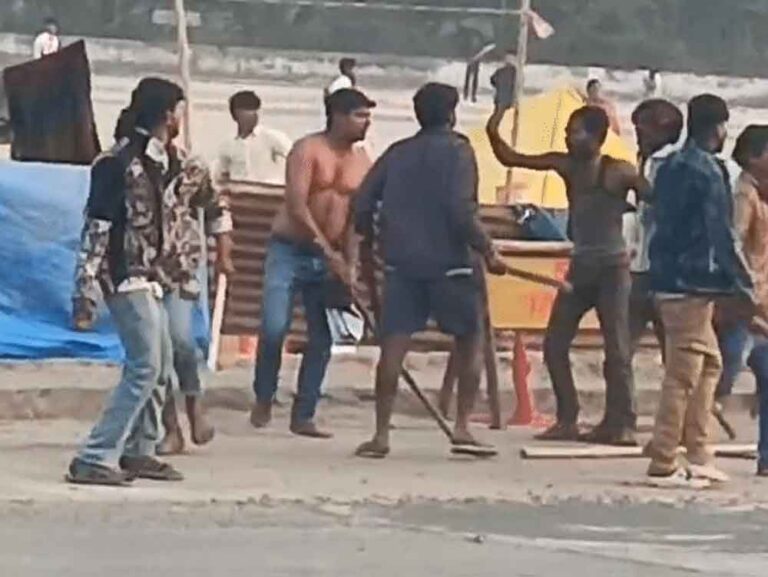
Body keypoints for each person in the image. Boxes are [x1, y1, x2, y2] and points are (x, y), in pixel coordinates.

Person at [67, 78, 230, 485]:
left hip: (154, 277)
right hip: (126, 276)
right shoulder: (116, 163)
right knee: (145, 366)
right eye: (178, 112)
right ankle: (95, 455)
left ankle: (141, 449)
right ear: (168, 114)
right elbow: (97, 227)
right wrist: (85, 290)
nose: (180, 119)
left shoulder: (172, 163)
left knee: (159, 365)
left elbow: (210, 203)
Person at [354, 83, 507, 458]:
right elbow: (461, 211)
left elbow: (362, 203)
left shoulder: (398, 152)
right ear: (452, 113)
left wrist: (370, 244)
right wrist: (488, 249)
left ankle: (381, 435)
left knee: (393, 347)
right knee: (469, 341)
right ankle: (463, 427)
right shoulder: (459, 151)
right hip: (451, 265)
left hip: (402, 263)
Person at [486, 105, 646, 446]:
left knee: (617, 350)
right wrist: (496, 118)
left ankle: (622, 423)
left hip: (613, 269)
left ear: (598, 136)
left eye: (576, 133)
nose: (569, 139)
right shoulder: (567, 165)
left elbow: (655, 197)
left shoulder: (618, 171)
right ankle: (568, 418)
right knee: (555, 344)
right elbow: (510, 157)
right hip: (581, 267)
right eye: (568, 133)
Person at [249, 88, 375, 438]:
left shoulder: (362, 161)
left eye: (368, 116)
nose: (366, 123)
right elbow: (296, 205)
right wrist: (327, 251)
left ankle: (304, 413)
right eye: (359, 116)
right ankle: (264, 395)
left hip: (331, 255)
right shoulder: (307, 150)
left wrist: (349, 262)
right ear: (337, 116)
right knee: (274, 327)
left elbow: (356, 217)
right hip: (290, 250)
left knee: (321, 337)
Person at [646, 94, 754, 486]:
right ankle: (663, 458)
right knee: (683, 374)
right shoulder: (709, 171)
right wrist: (743, 282)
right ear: (718, 127)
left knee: (709, 365)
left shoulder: (668, 166)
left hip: (666, 277)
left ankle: (698, 450)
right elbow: (721, 233)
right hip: (691, 283)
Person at [713, 125, 768, 475]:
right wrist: (744, 291)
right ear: (753, 157)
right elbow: (732, 245)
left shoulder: (760, 193)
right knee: (722, 375)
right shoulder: (744, 196)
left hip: (760, 303)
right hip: (746, 305)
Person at [625, 99, 684, 359]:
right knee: (625, 345)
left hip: (662, 270)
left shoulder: (669, 165)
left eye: (642, 128)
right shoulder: (646, 161)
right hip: (642, 266)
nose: (638, 134)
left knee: (670, 347)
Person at [216, 90, 293, 186]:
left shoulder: (273, 137)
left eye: (256, 109)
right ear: (235, 114)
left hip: (269, 190)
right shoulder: (227, 144)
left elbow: (297, 158)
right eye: (248, 110)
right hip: (238, 191)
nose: (254, 114)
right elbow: (224, 174)